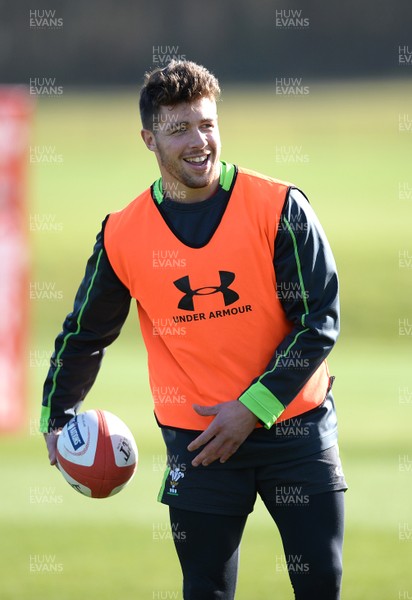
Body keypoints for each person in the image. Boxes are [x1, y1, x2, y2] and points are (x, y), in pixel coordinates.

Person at [41, 60, 347, 599]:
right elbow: (85, 334)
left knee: (320, 582)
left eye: (206, 124)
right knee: (204, 590)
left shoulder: (278, 206)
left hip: (296, 430)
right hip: (200, 443)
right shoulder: (123, 233)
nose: (198, 141)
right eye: (179, 128)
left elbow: (318, 319)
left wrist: (250, 408)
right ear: (149, 139)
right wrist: (57, 415)